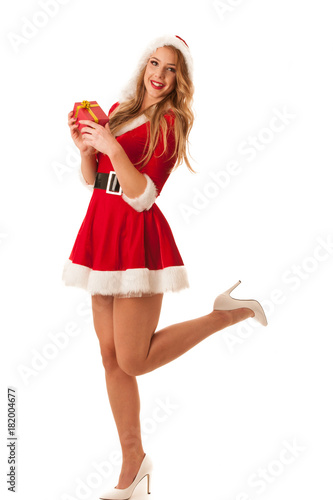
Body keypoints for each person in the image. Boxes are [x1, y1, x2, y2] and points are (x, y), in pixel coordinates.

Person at [62, 34, 268, 500]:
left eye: (171, 68)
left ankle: (227, 313)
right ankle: (133, 465)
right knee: (111, 359)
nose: (159, 73)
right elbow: (98, 182)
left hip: (136, 241)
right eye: (154, 63)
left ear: (180, 79)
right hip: (100, 236)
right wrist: (86, 150)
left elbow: (142, 196)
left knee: (134, 358)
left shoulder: (171, 123)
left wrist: (112, 147)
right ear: (143, 67)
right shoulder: (119, 109)